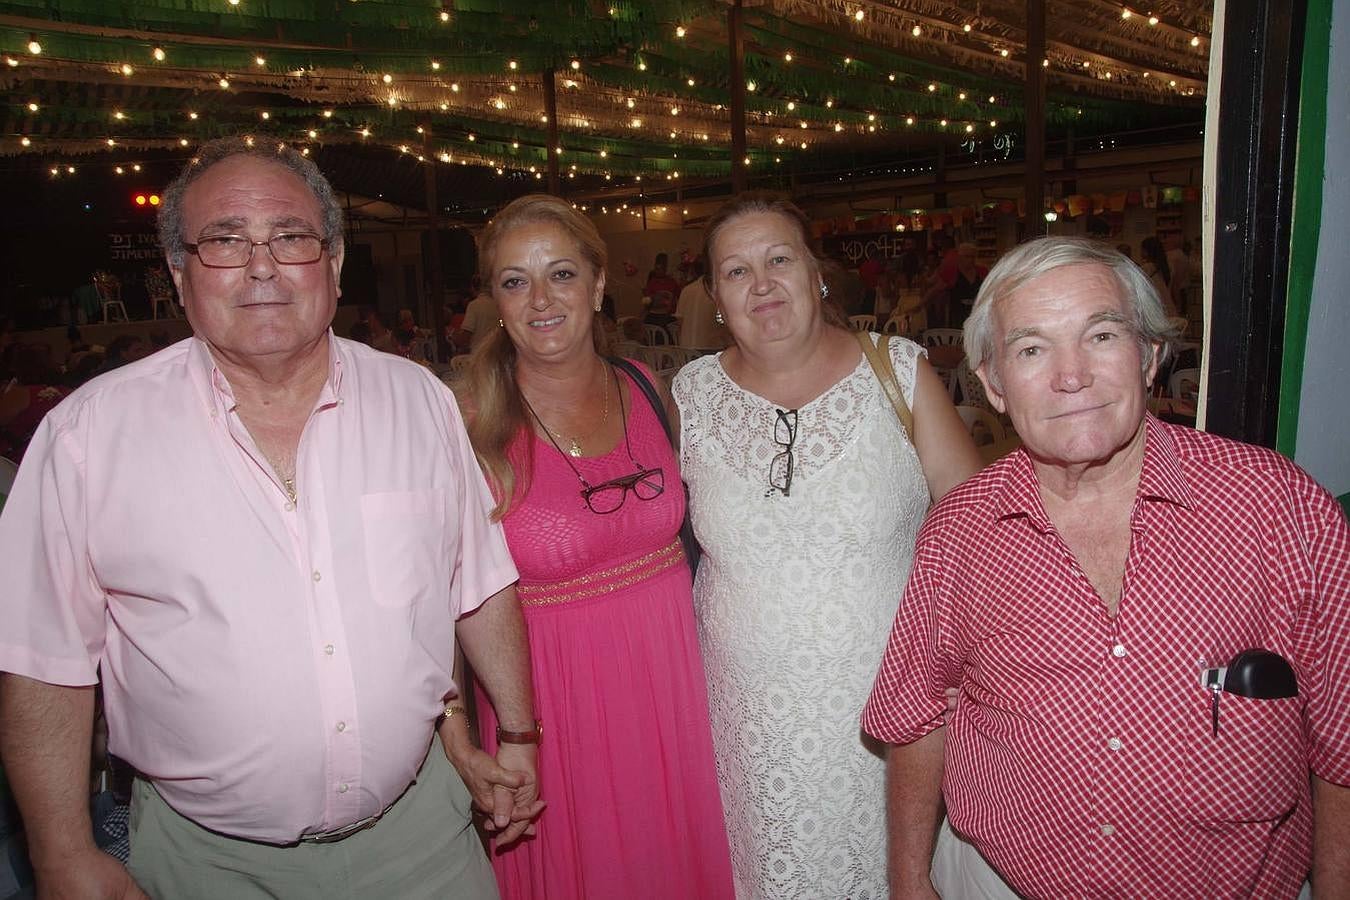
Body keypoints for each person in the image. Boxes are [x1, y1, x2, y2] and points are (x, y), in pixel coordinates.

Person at [0, 137, 541, 899]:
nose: (261, 266)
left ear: (335, 260)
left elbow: (477, 586)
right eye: (224, 241)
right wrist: (59, 852)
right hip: (206, 865)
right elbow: (42, 661)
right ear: (178, 272)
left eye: (290, 236)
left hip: (425, 841)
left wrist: (517, 734)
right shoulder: (89, 437)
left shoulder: (418, 402)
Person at [863, 236, 1350, 899]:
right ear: (994, 385)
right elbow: (915, 713)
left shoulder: (1279, 507)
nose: (1072, 376)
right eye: (1031, 349)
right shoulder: (959, 531)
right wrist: (908, 881)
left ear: (1150, 357)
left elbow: (1341, 737)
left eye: (1100, 336)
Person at [672, 192, 982, 898]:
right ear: (716, 299)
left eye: (780, 259)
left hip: (886, 713)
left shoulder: (898, 371)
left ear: (818, 275)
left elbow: (978, 532)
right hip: (745, 722)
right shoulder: (690, 394)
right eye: (736, 271)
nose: (763, 284)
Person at [452, 194, 734, 899]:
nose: (540, 299)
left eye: (562, 274)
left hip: (673, 691)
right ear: (495, 300)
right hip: (551, 704)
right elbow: (433, 598)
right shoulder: (468, 421)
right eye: (515, 281)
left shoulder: (648, 387)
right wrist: (459, 732)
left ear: (600, 284)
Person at [674, 258, 728, 349]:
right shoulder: (716, 292)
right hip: (709, 350)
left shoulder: (686, 290)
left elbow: (679, 323)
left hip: (686, 351)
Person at [455, 278, 500, 353]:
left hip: (479, 353)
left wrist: (456, 338)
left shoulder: (474, 305)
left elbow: (467, 332)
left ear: (473, 288)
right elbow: (502, 324)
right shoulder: (498, 305)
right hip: (497, 352)